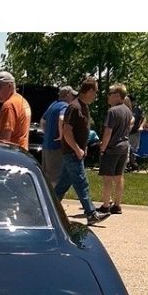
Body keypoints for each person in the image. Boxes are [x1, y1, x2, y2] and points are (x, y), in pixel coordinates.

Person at [56, 77, 109, 225]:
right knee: (81, 183)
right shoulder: (74, 107)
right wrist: (77, 148)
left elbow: (83, 131)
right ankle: (91, 214)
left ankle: (47, 210)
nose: (96, 95)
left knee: (61, 186)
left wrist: (83, 147)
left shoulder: (84, 107)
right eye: (96, 92)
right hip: (72, 153)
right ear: (90, 90)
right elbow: (67, 132)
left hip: (76, 152)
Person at [97, 83, 134, 215]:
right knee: (119, 177)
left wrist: (102, 148)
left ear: (118, 96)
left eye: (110, 93)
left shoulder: (112, 111)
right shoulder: (128, 111)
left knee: (108, 178)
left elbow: (108, 132)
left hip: (112, 148)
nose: (108, 96)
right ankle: (117, 205)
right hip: (124, 147)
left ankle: (106, 205)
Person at [39, 85, 76, 191]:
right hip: (56, 148)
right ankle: (53, 202)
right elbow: (61, 118)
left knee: (47, 176)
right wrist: (61, 135)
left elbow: (43, 121)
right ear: (68, 95)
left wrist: (47, 134)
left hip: (46, 146)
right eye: (72, 95)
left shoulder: (53, 105)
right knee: (55, 178)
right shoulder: (64, 106)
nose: (73, 97)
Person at [0, 71, 31, 149]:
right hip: (22, 154)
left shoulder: (9, 106)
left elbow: (5, 140)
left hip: (11, 155)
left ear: (9, 86)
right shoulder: (22, 101)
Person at [125, 94, 145, 172]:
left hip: (135, 132)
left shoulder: (137, 109)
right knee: (127, 149)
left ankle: (132, 164)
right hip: (126, 133)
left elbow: (144, 118)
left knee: (133, 150)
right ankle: (130, 164)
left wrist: (141, 126)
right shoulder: (125, 108)